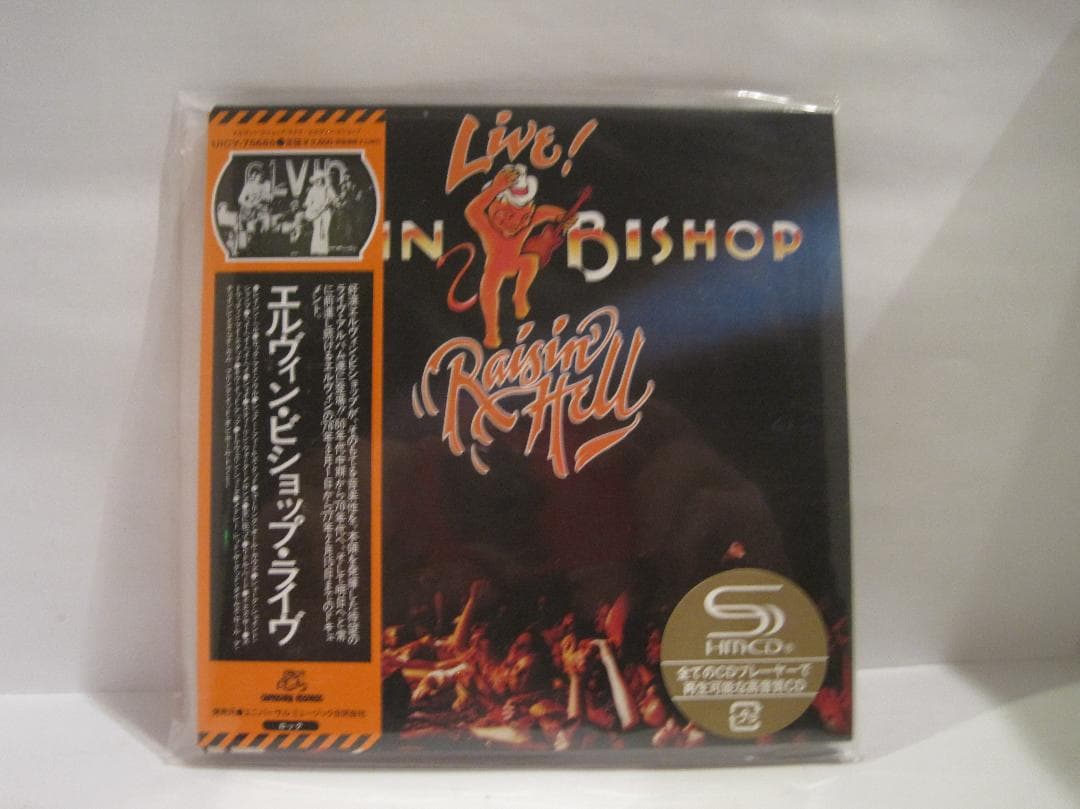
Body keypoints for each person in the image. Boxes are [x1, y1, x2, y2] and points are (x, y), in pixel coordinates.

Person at [303, 169, 337, 256]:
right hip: (316, 213)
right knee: (317, 229)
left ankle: (324, 250)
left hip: (325, 212)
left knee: (325, 229)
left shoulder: (327, 188)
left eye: (320, 179)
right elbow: (307, 203)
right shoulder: (312, 190)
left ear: (323, 179)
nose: (318, 181)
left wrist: (329, 202)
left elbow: (334, 199)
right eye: (317, 179)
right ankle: (315, 250)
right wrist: (311, 210)